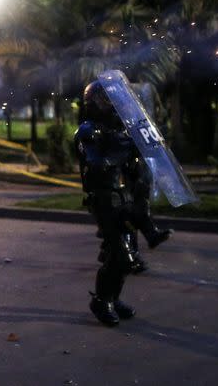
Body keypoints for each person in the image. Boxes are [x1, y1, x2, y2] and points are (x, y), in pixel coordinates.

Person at [74, 80, 172, 327]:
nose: (113, 106)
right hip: (104, 200)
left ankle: (112, 298)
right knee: (122, 256)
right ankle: (101, 302)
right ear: (95, 103)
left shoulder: (121, 131)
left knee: (126, 255)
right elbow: (97, 162)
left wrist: (144, 148)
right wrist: (122, 146)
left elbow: (132, 166)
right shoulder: (89, 130)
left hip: (123, 197)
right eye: (107, 100)